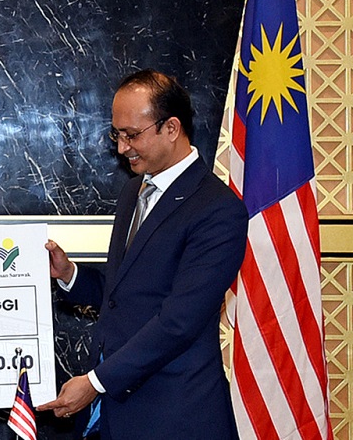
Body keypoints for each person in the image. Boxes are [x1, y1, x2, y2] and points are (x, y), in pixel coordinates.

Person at [37, 69, 248, 439]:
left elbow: (178, 322)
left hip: (176, 415)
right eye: (117, 134)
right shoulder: (133, 192)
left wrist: (96, 383)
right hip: (120, 416)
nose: (122, 148)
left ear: (171, 128)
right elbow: (124, 292)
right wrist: (69, 273)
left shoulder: (217, 209)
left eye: (132, 135)